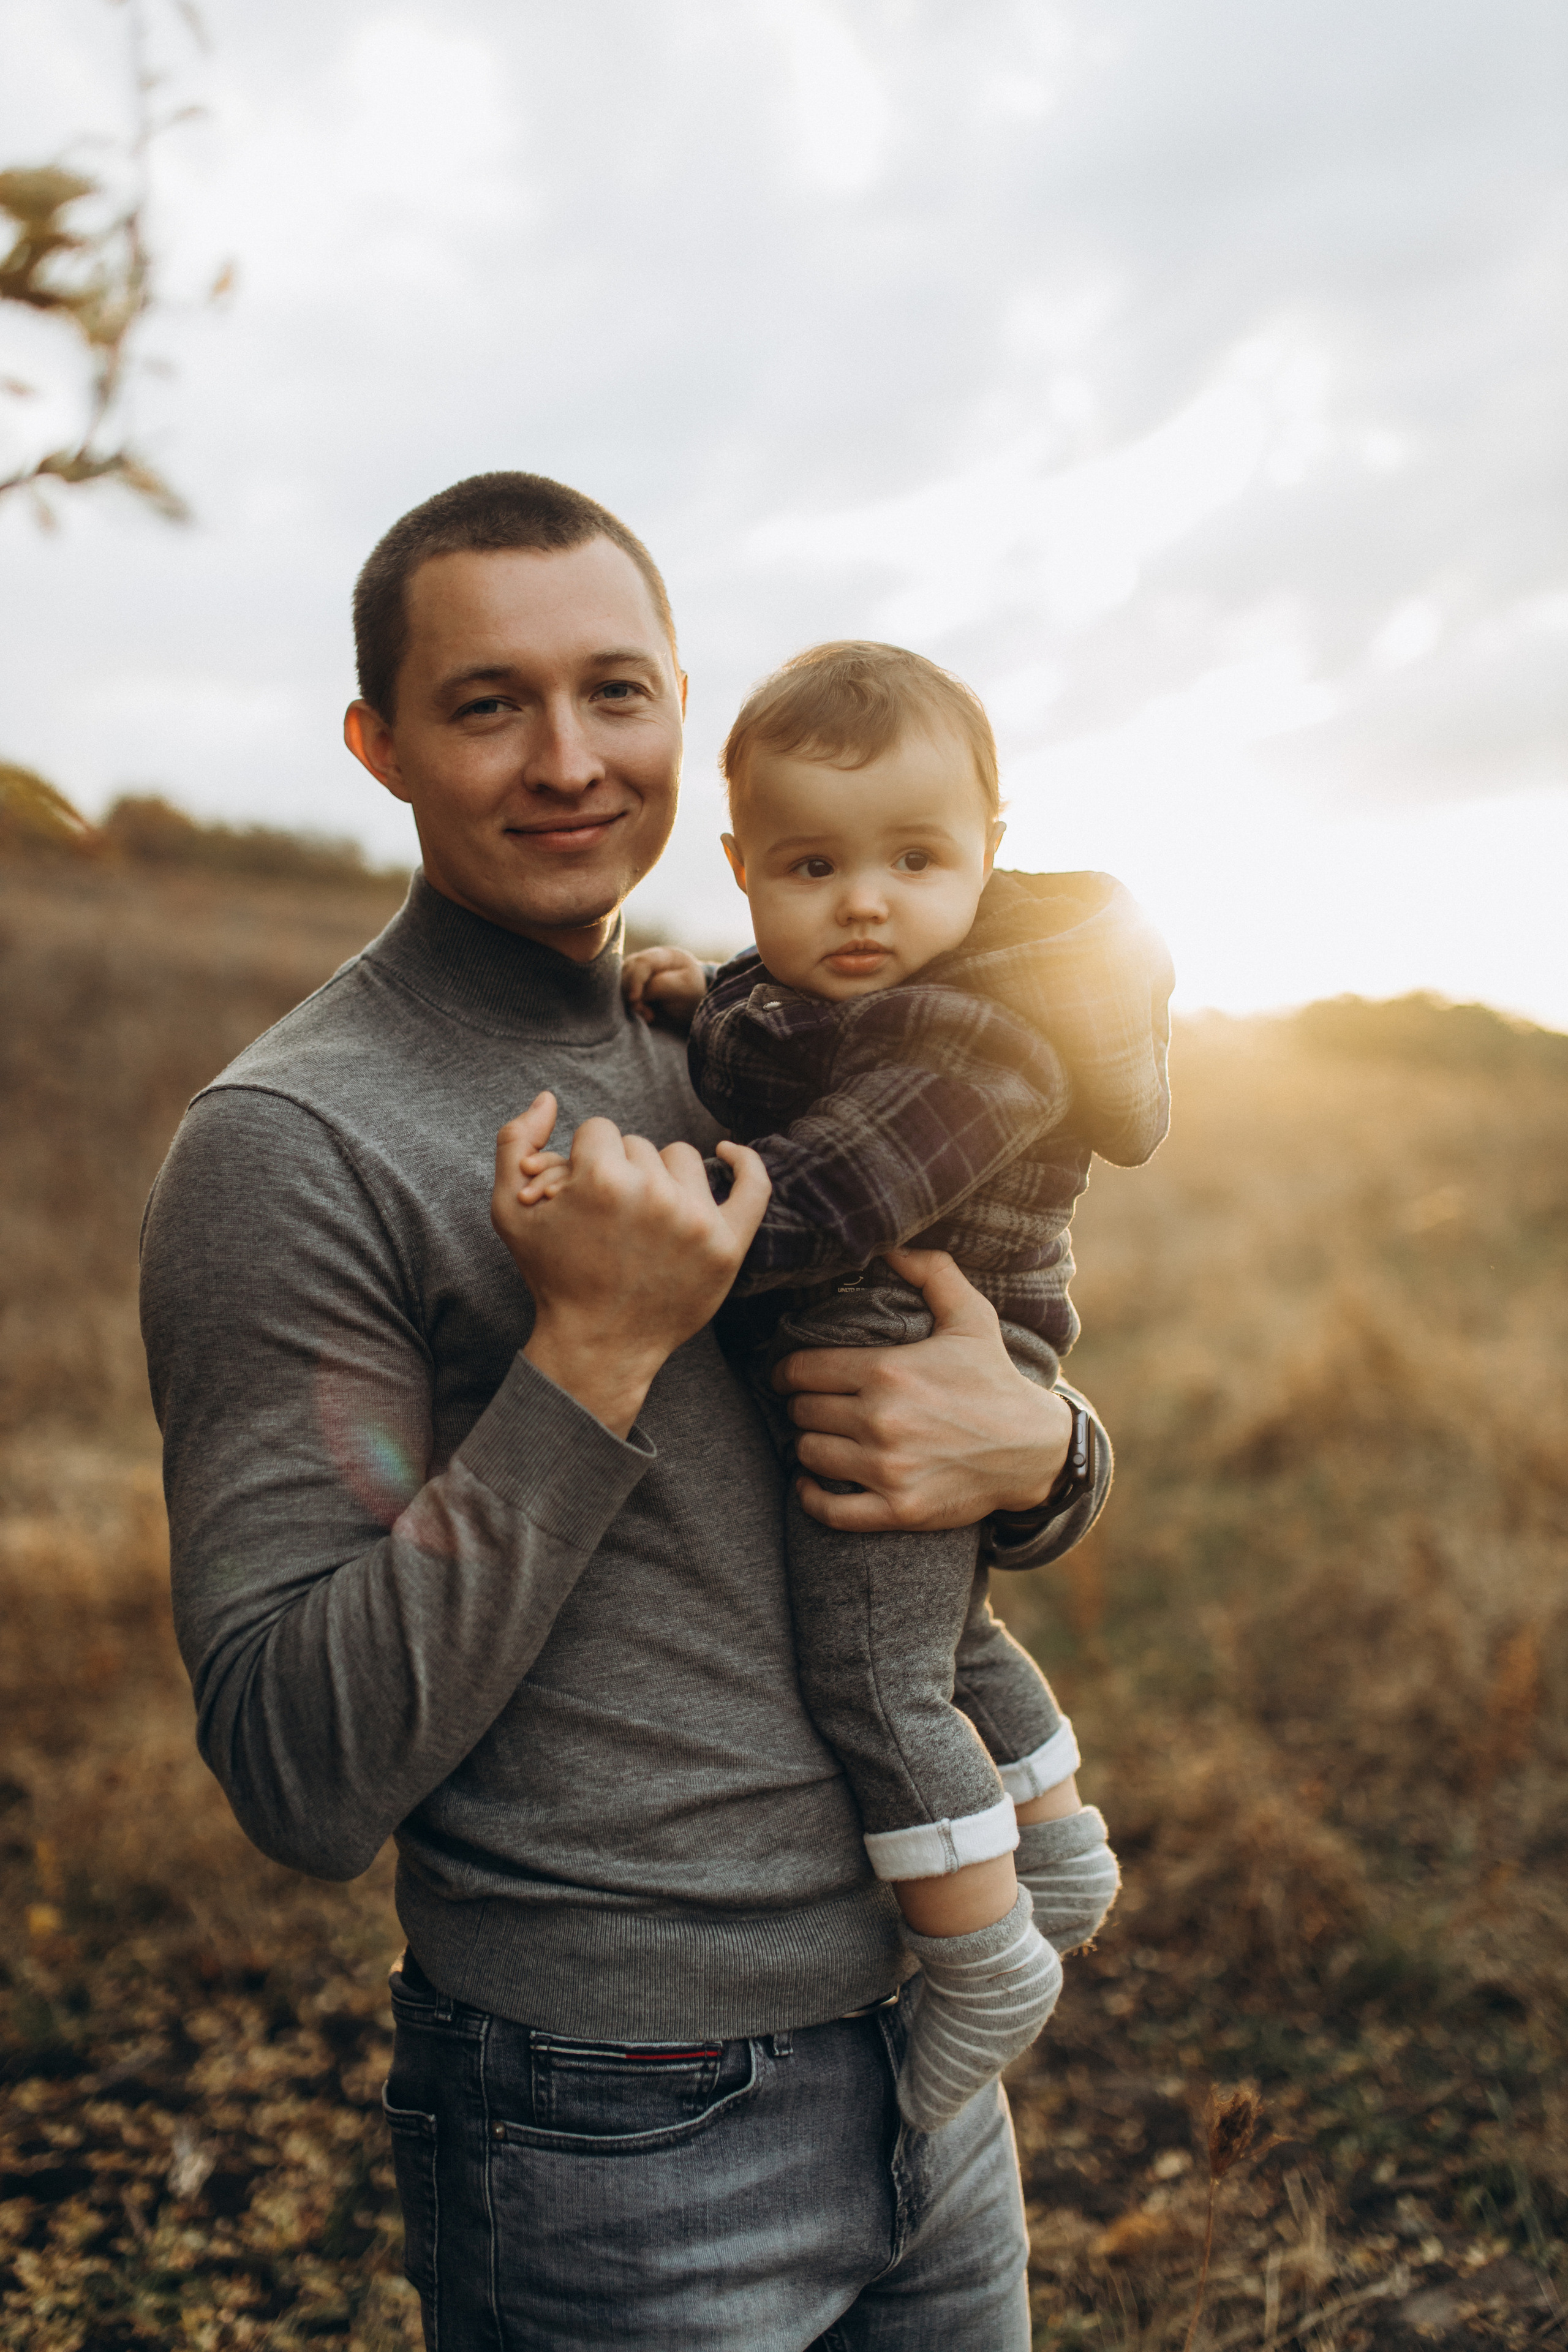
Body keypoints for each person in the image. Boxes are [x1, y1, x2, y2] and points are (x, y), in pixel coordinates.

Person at [140, 472, 1118, 2352]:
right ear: (379, 746)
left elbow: (950, 1432)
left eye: (615, 692)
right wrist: (586, 1354)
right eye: (487, 704)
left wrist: (1051, 1458)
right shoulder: (290, 1145)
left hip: (929, 2068)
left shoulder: (763, 1036)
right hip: (611, 2124)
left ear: (684, 708)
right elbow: (295, 1770)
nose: (569, 760)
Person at [524, 641, 1169, 2134]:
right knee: (944, 1638)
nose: (863, 903)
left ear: (987, 852)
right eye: (811, 867)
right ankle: (1056, 1852)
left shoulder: (981, 1035)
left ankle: (982, 1965)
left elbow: (816, 1196)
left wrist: (630, 1212)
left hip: (896, 1362)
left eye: (913, 861)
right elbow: (787, 1036)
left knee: (875, 1683)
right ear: (742, 868)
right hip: (904, 1368)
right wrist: (702, 998)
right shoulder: (854, 982)